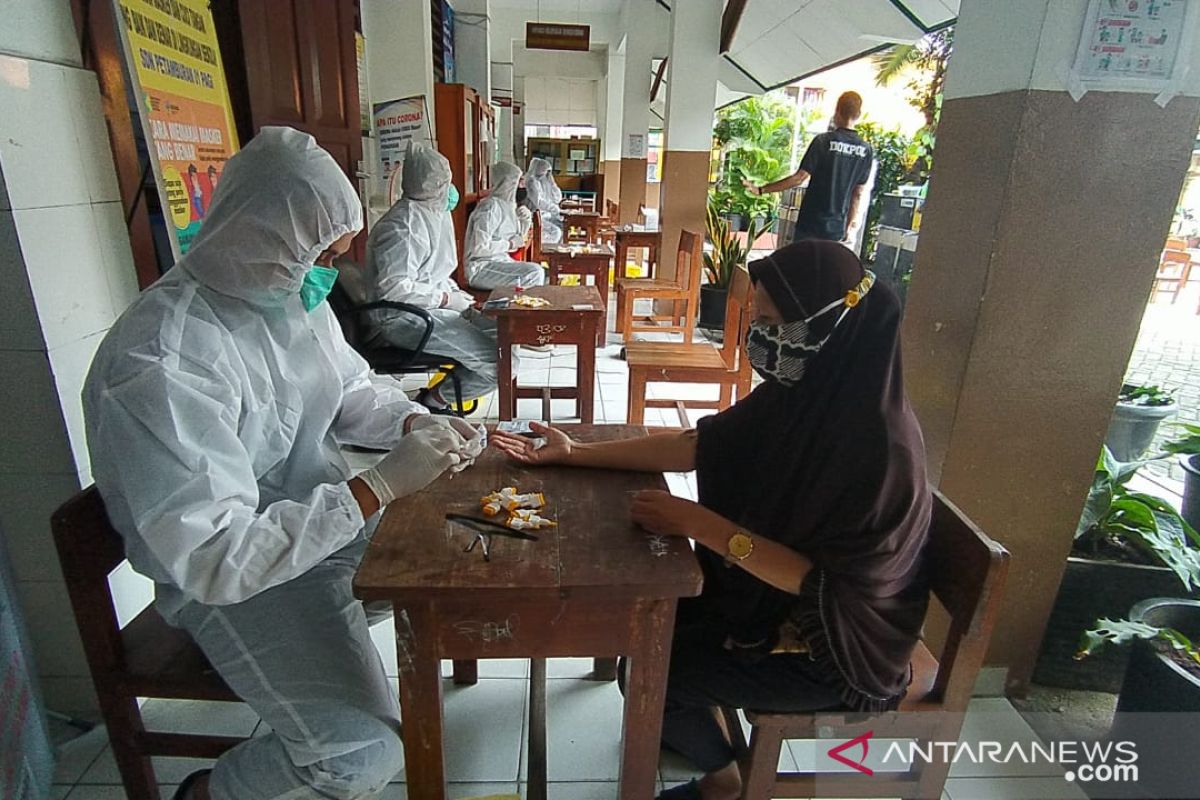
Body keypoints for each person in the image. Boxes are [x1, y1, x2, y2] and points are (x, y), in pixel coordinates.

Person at [83, 126, 484, 800]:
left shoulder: (284, 296)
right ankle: (210, 792)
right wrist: (378, 485)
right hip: (236, 581)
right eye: (321, 253)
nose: (331, 268)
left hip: (314, 525)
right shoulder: (161, 359)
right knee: (358, 756)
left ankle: (328, 682)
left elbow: (351, 388)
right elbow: (218, 558)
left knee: (461, 550)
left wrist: (413, 421)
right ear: (262, 237)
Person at [492, 240, 930, 800]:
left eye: (774, 322)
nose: (762, 337)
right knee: (650, 622)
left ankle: (726, 783)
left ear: (831, 326)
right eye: (759, 319)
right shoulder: (808, 393)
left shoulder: (877, 449)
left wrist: (702, 525)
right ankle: (697, 727)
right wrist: (573, 451)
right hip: (783, 601)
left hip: (842, 648)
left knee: (654, 670)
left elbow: (831, 588)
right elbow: (699, 446)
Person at [364, 142, 507, 411]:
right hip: (406, 319)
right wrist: (444, 299)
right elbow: (393, 288)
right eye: (445, 181)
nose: (450, 190)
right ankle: (433, 401)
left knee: (504, 336)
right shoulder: (403, 225)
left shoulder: (429, 214)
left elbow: (433, 272)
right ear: (434, 185)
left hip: (428, 309)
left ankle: (439, 395)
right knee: (500, 365)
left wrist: (460, 297)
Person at [746, 91, 874, 245]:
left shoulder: (823, 141)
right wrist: (848, 227)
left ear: (837, 112)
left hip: (811, 224)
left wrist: (761, 190)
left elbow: (799, 178)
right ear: (858, 114)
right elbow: (858, 194)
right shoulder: (866, 150)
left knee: (802, 266)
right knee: (824, 269)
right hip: (836, 229)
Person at [463, 161, 545, 290]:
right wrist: (509, 244)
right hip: (481, 268)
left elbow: (518, 241)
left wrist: (525, 221)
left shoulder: (509, 206)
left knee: (535, 272)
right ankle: (517, 309)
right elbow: (479, 248)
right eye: (520, 181)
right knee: (534, 273)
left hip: (500, 261)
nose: (523, 186)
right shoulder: (490, 207)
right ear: (508, 183)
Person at [525, 156, 564, 244]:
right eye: (545, 172)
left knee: (563, 227)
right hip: (535, 216)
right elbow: (538, 202)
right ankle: (544, 252)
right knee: (556, 232)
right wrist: (553, 208)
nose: (545, 174)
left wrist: (552, 182)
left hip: (546, 215)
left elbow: (557, 198)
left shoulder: (543, 181)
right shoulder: (531, 182)